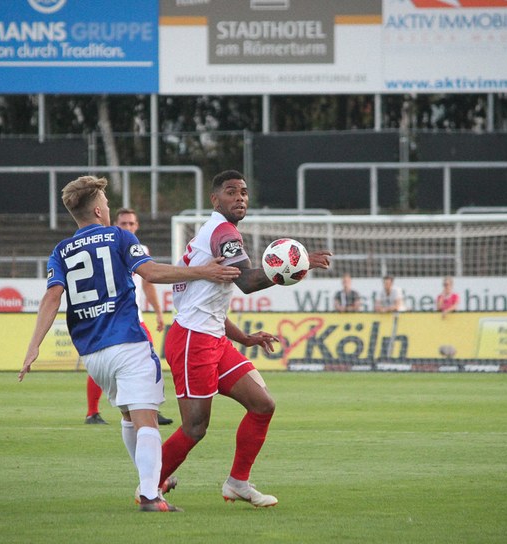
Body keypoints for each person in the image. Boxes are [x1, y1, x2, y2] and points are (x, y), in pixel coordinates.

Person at [18, 175, 239, 512]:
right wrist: (204, 271)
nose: (108, 208)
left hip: (93, 354)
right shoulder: (119, 236)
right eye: (106, 203)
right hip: (127, 343)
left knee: (127, 415)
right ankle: (150, 494)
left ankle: (151, 479)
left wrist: (34, 345)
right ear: (97, 209)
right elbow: (151, 273)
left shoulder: (61, 250)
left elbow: (52, 297)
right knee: (146, 419)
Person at [157, 170, 331, 508]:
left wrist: (245, 338)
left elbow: (207, 305)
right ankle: (150, 486)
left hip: (212, 338)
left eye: (244, 192)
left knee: (263, 405)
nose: (240, 197)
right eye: (231, 191)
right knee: (195, 427)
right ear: (215, 199)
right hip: (193, 341)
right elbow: (248, 282)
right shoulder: (223, 232)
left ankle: (237, 482)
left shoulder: (213, 232)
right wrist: (299, 263)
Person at [83, 208, 174, 427]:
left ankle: (150, 408)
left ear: (137, 226)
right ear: (115, 224)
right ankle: (92, 412)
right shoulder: (105, 247)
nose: (128, 227)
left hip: (135, 317)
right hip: (108, 318)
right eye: (123, 223)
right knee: (102, 364)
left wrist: (158, 312)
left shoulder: (141, 250)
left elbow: (148, 283)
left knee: (149, 361)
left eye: (131, 223)